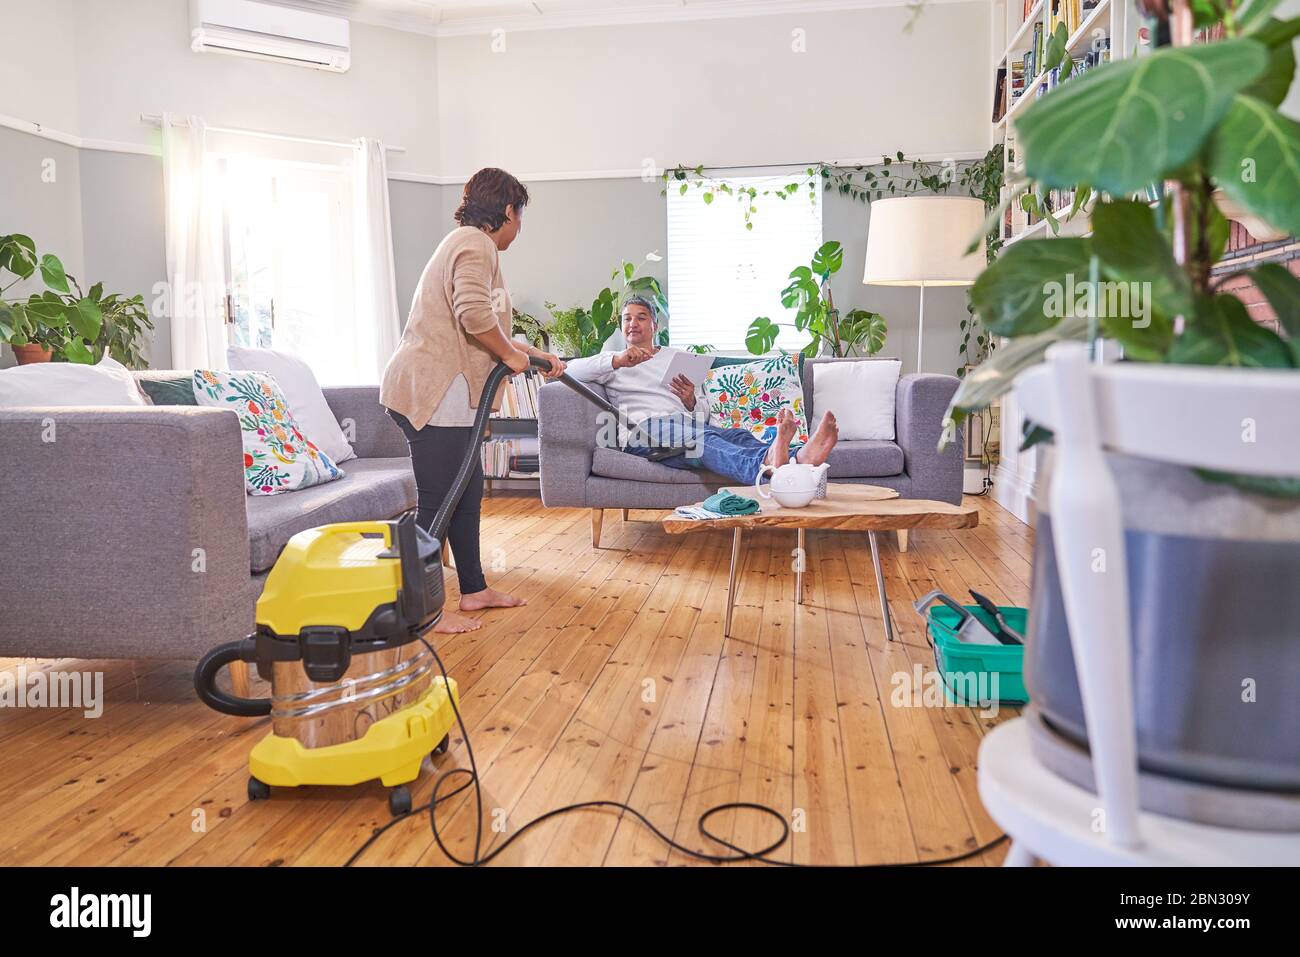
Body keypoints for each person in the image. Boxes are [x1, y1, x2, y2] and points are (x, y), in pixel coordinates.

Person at [380, 168, 565, 634]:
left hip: (447, 393)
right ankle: (415, 612)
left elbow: (483, 329)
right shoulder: (474, 243)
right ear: (508, 211)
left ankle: (474, 589)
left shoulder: (466, 243)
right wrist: (509, 353)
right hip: (433, 392)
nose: (519, 228)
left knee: (464, 495)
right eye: (520, 216)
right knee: (438, 501)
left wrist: (534, 355)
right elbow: (473, 313)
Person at [564, 295, 838, 484]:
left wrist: (691, 400)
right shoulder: (612, 362)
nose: (633, 323)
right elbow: (569, 371)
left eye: (641, 317)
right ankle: (772, 463)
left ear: (654, 325)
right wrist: (617, 360)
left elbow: (703, 411)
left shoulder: (677, 358)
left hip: (683, 426)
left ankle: (796, 457)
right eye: (627, 319)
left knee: (736, 436)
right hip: (642, 430)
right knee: (702, 441)